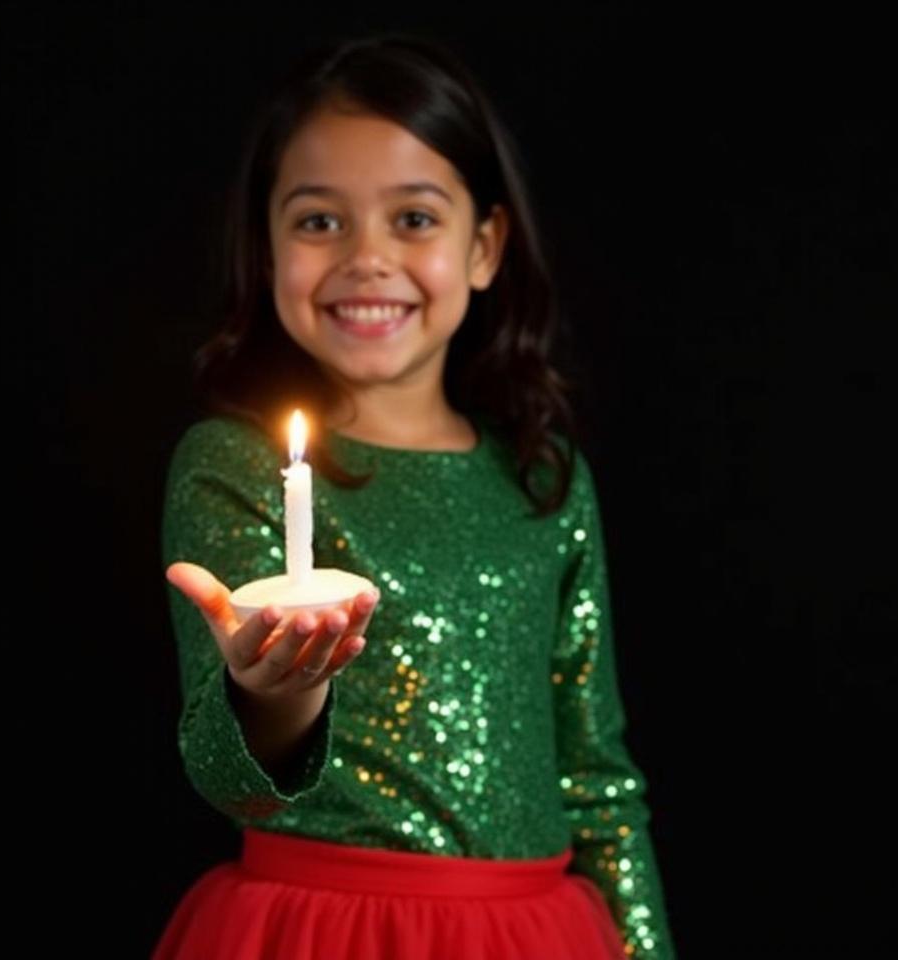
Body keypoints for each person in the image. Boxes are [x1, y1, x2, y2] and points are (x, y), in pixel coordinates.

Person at [153, 34, 676, 960]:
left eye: (415, 219)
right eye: (319, 221)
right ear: (264, 244)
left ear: (484, 248)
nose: (366, 259)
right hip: (318, 931)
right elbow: (231, 773)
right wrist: (272, 693)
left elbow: (597, 780)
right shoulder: (231, 463)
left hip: (534, 935)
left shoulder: (543, 479)